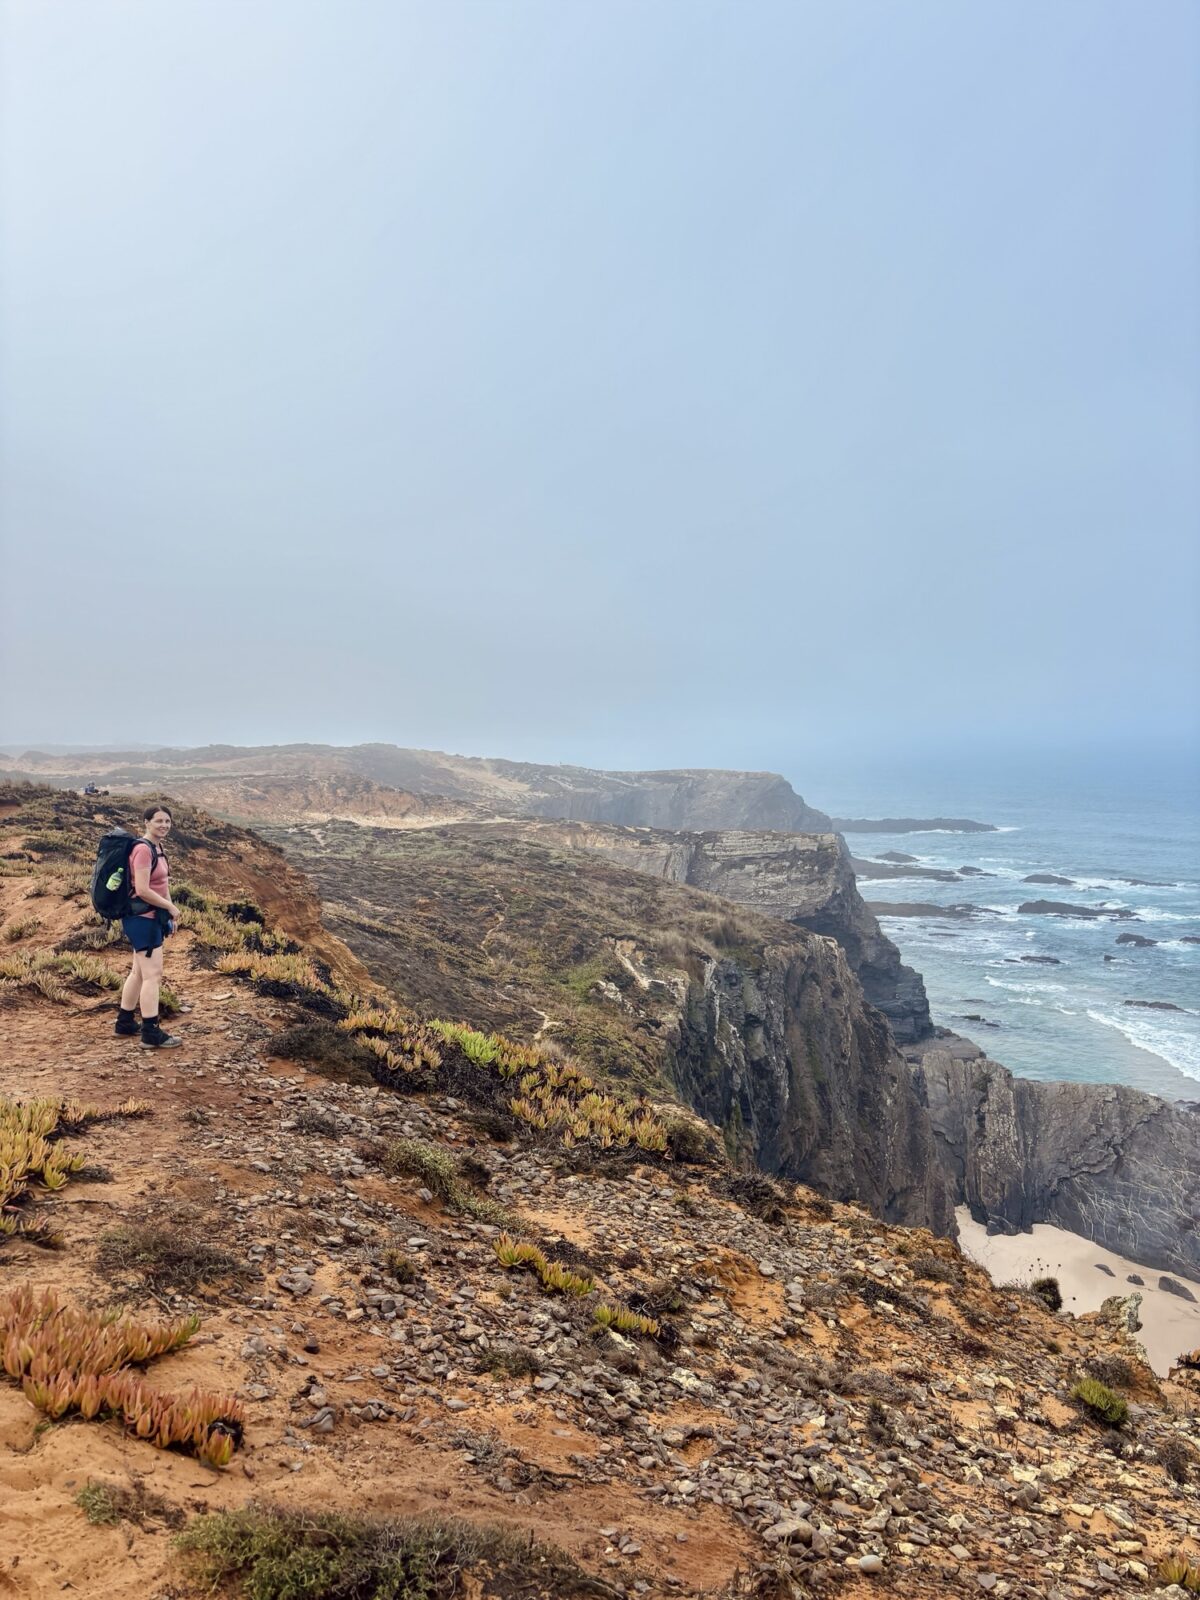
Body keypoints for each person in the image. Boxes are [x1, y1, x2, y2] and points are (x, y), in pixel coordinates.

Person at [114, 804, 183, 1048]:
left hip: (151, 917)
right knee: (153, 975)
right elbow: (143, 890)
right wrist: (170, 907)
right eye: (158, 821)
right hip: (142, 918)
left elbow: (162, 885)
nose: (164, 825)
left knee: (139, 972)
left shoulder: (158, 848)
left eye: (167, 821)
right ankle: (150, 1033)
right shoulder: (143, 849)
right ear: (146, 822)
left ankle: (124, 1022)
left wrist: (169, 913)